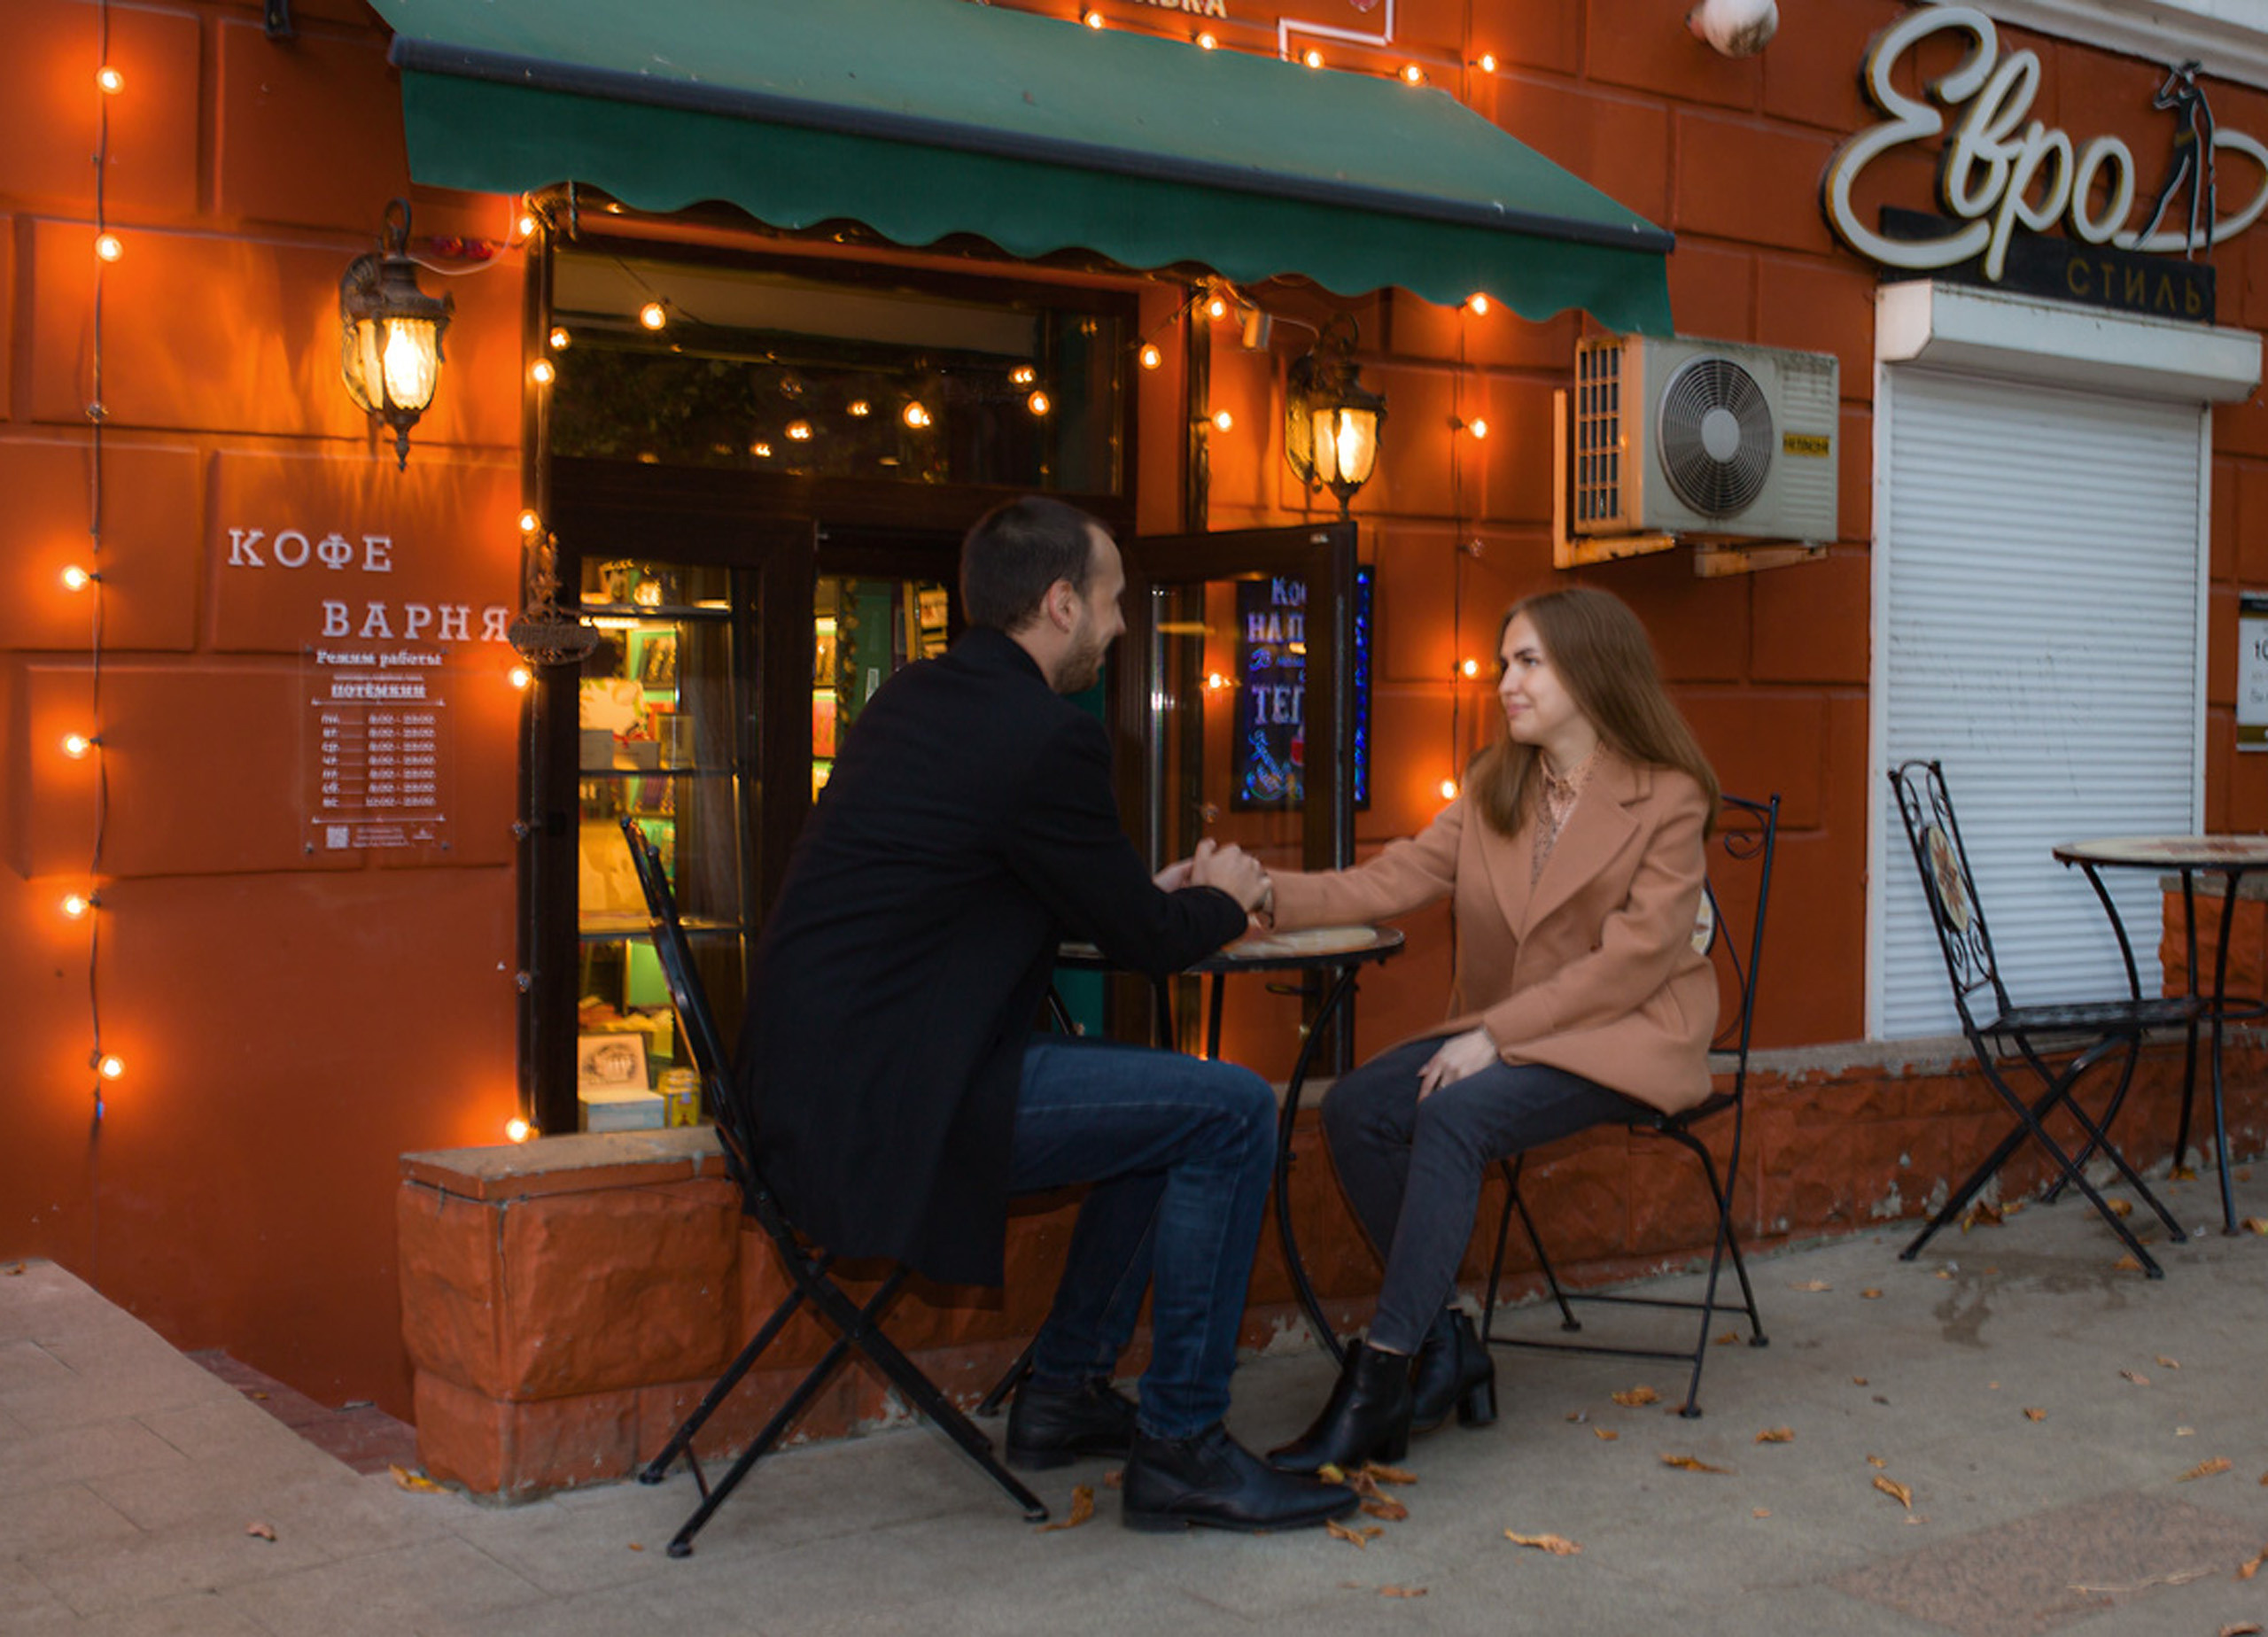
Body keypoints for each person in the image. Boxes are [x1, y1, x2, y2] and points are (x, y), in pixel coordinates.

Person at [735, 496, 1357, 1534]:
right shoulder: (1042, 737)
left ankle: (1065, 1393)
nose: (1121, 628)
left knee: (1167, 1114)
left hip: (813, 1089)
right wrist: (1231, 893)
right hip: (900, 1107)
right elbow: (1150, 946)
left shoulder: (913, 700)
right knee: (1231, 1110)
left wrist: (1150, 901)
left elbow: (1038, 892)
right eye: (1112, 603)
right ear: (1062, 603)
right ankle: (1184, 1450)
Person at [1262, 586, 1720, 1474]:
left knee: (1455, 1111)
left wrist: (1498, 1038)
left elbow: (1634, 962)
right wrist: (1264, 894)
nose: (1503, 680)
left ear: (1591, 672)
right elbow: (1387, 882)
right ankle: (1446, 1345)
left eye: (1527, 663)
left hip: (1625, 1028)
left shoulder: (1668, 797)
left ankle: (1385, 1374)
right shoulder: (1493, 784)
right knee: (1358, 1106)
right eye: (1505, 661)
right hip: (1518, 1030)